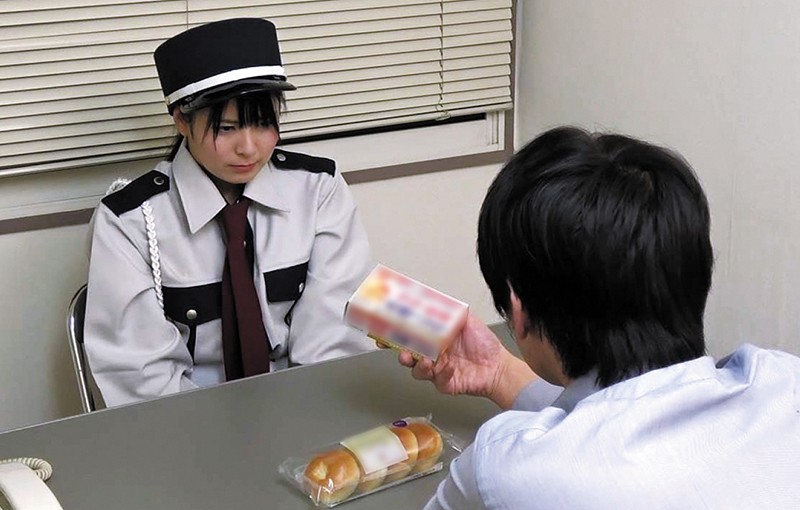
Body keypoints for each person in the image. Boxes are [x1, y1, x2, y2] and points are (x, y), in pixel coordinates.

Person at [398, 127, 800, 509]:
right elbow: (622, 411)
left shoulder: (502, 470)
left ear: (518, 311)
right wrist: (500, 373)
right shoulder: (784, 383)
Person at [84, 18, 374, 407]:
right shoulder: (129, 222)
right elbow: (142, 378)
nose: (249, 148)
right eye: (227, 128)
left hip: (306, 408)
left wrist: (307, 424)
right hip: (186, 423)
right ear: (181, 119)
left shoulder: (318, 189)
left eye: (263, 123)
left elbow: (333, 339)